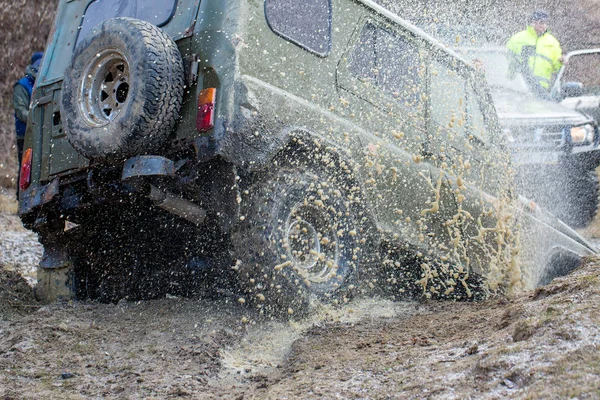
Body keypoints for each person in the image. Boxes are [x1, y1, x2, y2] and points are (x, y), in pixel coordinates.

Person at [506, 10, 563, 94]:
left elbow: (556, 67)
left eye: (544, 22)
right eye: (538, 22)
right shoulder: (517, 38)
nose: (541, 25)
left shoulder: (552, 42)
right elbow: (506, 60)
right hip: (516, 89)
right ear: (531, 22)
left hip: (541, 91)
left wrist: (560, 62)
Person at [13, 52, 42, 194]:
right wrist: (37, 118)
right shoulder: (22, 85)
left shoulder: (43, 83)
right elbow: (20, 111)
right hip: (25, 135)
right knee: (25, 169)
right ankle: (20, 200)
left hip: (40, 134)